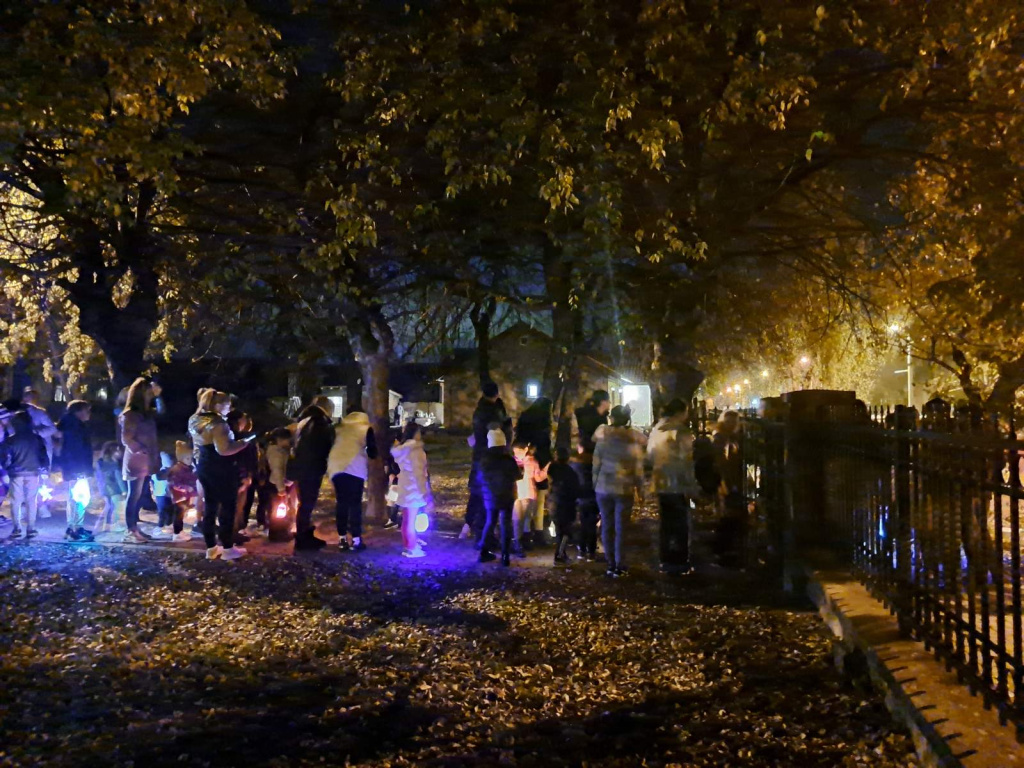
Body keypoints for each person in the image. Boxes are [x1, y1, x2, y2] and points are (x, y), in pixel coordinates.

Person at [191, 389, 253, 560]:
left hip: (204, 465)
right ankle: (227, 548)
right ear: (217, 405)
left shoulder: (195, 419)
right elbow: (224, 449)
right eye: (227, 405)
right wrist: (243, 443)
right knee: (227, 507)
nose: (229, 408)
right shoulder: (218, 424)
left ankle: (211, 547)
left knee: (210, 506)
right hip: (221, 468)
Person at [647, 399, 700, 574]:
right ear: (680, 412)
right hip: (678, 483)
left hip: (661, 481)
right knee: (680, 523)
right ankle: (679, 561)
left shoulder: (657, 430)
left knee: (666, 523)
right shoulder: (681, 431)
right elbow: (687, 461)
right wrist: (692, 487)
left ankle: (665, 558)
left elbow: (650, 455)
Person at [593, 405, 644, 578]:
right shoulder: (632, 440)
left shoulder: (602, 438)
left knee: (607, 525)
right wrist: (640, 488)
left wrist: (595, 484)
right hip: (624, 487)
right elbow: (638, 468)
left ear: (612, 418)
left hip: (603, 487)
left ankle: (610, 563)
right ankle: (620, 564)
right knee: (621, 527)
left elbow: (596, 464)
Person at [462, 380, 512, 540]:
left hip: (480, 455)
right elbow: (496, 430)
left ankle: (470, 526)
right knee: (486, 494)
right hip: (489, 456)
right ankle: (483, 533)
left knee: (478, 492)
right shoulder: (492, 412)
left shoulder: (481, 409)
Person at [327, 410, 379, 552]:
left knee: (341, 503)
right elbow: (373, 452)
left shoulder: (339, 428)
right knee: (355, 504)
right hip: (355, 468)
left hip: (336, 467)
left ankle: (342, 539)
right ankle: (356, 539)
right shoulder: (366, 429)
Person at [288, 395, 335, 551]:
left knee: (304, 503)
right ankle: (302, 539)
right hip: (311, 468)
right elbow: (321, 446)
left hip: (303, 467)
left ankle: (304, 534)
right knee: (307, 504)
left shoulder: (305, 421)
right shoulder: (319, 422)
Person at [119, 377, 161, 543]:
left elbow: (162, 412)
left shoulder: (145, 414)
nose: (151, 394)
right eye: (149, 392)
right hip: (137, 460)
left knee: (140, 494)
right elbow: (126, 438)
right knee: (134, 495)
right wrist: (140, 450)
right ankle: (131, 530)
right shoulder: (130, 415)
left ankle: (135, 528)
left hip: (146, 459)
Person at [0, 411, 50, 540]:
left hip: (16, 473)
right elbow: (43, 456)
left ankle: (17, 528)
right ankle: (31, 528)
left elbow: (5, 458)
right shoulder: (37, 439)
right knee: (31, 501)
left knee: (15, 501)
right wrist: (44, 469)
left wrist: (8, 468)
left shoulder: (10, 440)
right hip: (33, 472)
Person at [479, 427, 521, 566]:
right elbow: (518, 475)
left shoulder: (485, 460)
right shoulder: (508, 459)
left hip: (490, 496)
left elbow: (481, 477)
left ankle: (483, 552)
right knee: (506, 524)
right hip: (507, 495)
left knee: (490, 522)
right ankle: (505, 556)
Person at [515, 396, 553, 544]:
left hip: (523, 465)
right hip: (539, 463)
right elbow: (544, 447)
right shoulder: (543, 426)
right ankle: (537, 531)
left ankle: (523, 532)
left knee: (524, 501)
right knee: (539, 500)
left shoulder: (525, 420)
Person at [391, 421, 432, 558]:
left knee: (407, 519)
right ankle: (411, 547)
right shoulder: (416, 450)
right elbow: (419, 472)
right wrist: (424, 491)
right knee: (411, 520)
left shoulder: (403, 450)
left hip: (405, 485)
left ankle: (409, 544)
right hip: (414, 488)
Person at [57, 399, 95, 542]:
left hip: (73, 468)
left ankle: (73, 526)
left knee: (75, 498)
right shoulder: (74, 426)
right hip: (77, 468)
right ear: (78, 411)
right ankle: (75, 529)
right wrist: (80, 470)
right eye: (86, 410)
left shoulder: (71, 424)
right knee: (80, 498)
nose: (89, 413)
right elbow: (75, 449)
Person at [712, 410, 746, 567]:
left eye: (734, 421)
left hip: (735, 479)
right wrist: (722, 481)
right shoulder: (720, 438)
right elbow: (719, 461)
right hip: (726, 479)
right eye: (728, 421)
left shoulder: (735, 437)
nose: (731, 424)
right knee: (727, 512)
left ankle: (727, 548)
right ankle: (723, 549)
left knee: (732, 512)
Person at [512, 440, 548, 555]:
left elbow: (538, 478)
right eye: (515, 452)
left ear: (525, 449)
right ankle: (523, 542)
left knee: (521, 519)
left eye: (518, 451)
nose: (516, 453)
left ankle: (519, 543)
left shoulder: (514, 462)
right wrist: (547, 468)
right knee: (523, 519)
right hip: (525, 494)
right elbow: (539, 478)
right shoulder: (531, 461)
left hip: (521, 494)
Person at [227, 411, 259, 542]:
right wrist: (247, 475)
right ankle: (232, 533)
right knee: (237, 505)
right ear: (239, 421)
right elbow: (247, 458)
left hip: (228, 474)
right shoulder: (242, 438)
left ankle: (233, 531)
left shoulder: (225, 436)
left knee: (233, 506)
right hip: (239, 475)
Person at [548, 446, 581, 564]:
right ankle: (559, 554)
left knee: (559, 530)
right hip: (566, 504)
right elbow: (575, 489)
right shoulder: (570, 472)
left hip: (554, 502)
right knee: (565, 530)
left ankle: (560, 553)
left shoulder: (552, 468)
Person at [259, 427, 294, 532]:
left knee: (279, 509)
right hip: (277, 485)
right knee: (277, 510)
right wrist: (281, 488)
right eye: (288, 439)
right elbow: (277, 470)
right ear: (280, 439)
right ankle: (277, 532)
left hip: (280, 484)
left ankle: (279, 531)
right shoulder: (276, 452)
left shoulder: (281, 450)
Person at [166, 441, 198, 542]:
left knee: (181, 514)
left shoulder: (187, 468)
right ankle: (177, 533)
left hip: (184, 496)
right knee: (178, 515)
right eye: (188, 458)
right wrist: (186, 487)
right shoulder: (177, 469)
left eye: (190, 458)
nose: (190, 461)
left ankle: (179, 531)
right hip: (179, 497)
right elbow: (174, 483)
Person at [94, 442, 128, 535]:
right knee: (116, 507)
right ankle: (115, 525)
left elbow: (99, 477)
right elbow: (118, 478)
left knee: (109, 507)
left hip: (104, 488)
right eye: (118, 450)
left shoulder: (100, 463)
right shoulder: (114, 464)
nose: (120, 452)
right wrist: (124, 490)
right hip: (114, 489)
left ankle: (105, 525)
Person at [575, 389, 611, 455]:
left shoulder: (603, 416)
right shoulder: (587, 416)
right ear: (603, 402)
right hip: (586, 452)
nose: (610, 403)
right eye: (608, 401)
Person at [151, 452, 175, 539]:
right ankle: (159, 527)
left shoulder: (170, 470)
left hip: (168, 493)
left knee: (170, 510)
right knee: (162, 511)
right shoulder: (158, 471)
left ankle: (168, 526)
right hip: (160, 493)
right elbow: (158, 478)